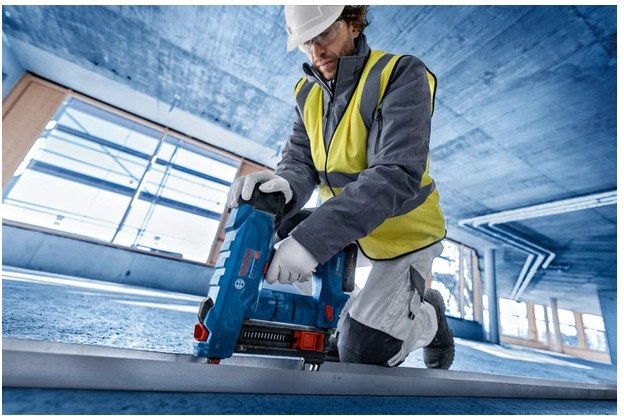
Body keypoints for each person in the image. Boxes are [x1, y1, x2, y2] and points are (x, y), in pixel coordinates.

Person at [228, 5, 454, 369]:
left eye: (324, 34)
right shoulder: (307, 92)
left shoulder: (400, 73)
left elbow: (396, 174)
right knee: (277, 224)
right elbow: (299, 161)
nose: (316, 51)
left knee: (364, 352)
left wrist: (312, 242)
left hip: (405, 231)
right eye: (306, 42)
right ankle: (346, 318)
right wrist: (282, 185)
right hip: (349, 225)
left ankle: (430, 317)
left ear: (353, 23)